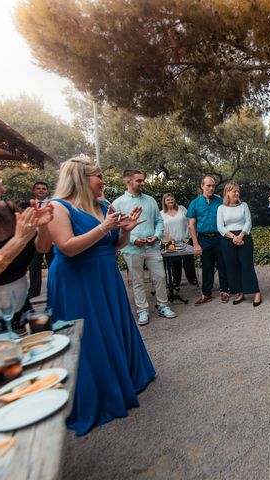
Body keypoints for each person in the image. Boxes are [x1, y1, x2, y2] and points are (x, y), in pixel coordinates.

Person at [47, 155, 155, 436]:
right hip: (76, 281)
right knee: (91, 335)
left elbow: (115, 244)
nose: (104, 182)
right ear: (82, 179)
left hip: (106, 276)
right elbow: (67, 247)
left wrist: (125, 233)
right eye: (99, 176)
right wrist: (103, 228)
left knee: (113, 327)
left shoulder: (105, 206)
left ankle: (125, 378)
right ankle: (97, 392)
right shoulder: (58, 207)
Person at [112, 170, 177, 326]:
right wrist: (133, 240)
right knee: (137, 281)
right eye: (139, 180)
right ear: (127, 181)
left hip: (152, 246)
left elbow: (159, 221)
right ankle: (142, 311)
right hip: (131, 249)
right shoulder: (117, 204)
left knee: (161, 276)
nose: (142, 183)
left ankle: (163, 306)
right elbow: (115, 228)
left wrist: (156, 235)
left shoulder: (150, 201)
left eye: (142, 180)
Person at [0, 166, 53, 331]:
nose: (3, 189)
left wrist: (43, 226)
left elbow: (43, 248)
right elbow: (20, 240)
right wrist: (18, 240)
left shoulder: (9, 210)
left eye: (0, 182)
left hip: (22, 312)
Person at [217, 182, 262, 306]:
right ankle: (239, 293)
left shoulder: (244, 205)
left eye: (238, 191)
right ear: (227, 193)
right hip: (228, 238)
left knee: (247, 265)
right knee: (232, 267)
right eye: (234, 191)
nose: (237, 193)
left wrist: (241, 236)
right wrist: (233, 237)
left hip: (244, 237)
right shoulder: (221, 208)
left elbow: (248, 222)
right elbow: (220, 227)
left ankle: (256, 292)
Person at [188, 175, 229, 305]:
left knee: (223, 264)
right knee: (207, 267)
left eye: (213, 185)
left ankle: (224, 291)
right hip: (203, 239)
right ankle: (206, 293)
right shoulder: (194, 203)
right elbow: (192, 225)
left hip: (219, 237)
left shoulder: (220, 201)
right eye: (208, 185)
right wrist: (195, 244)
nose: (211, 188)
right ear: (202, 186)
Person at [160, 192, 198, 287]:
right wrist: (168, 237)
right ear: (164, 202)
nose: (170, 201)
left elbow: (190, 221)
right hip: (169, 242)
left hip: (185, 238)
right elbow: (160, 228)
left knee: (188, 261)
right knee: (174, 262)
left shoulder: (182, 209)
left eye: (172, 199)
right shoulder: (161, 214)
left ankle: (192, 279)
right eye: (168, 200)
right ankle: (176, 281)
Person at [27, 181, 54, 298]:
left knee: (53, 266)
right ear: (34, 191)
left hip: (51, 241)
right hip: (33, 242)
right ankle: (34, 292)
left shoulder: (53, 205)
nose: (41, 190)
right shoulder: (27, 206)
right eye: (38, 188)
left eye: (44, 188)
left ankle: (53, 290)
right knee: (34, 266)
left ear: (47, 191)